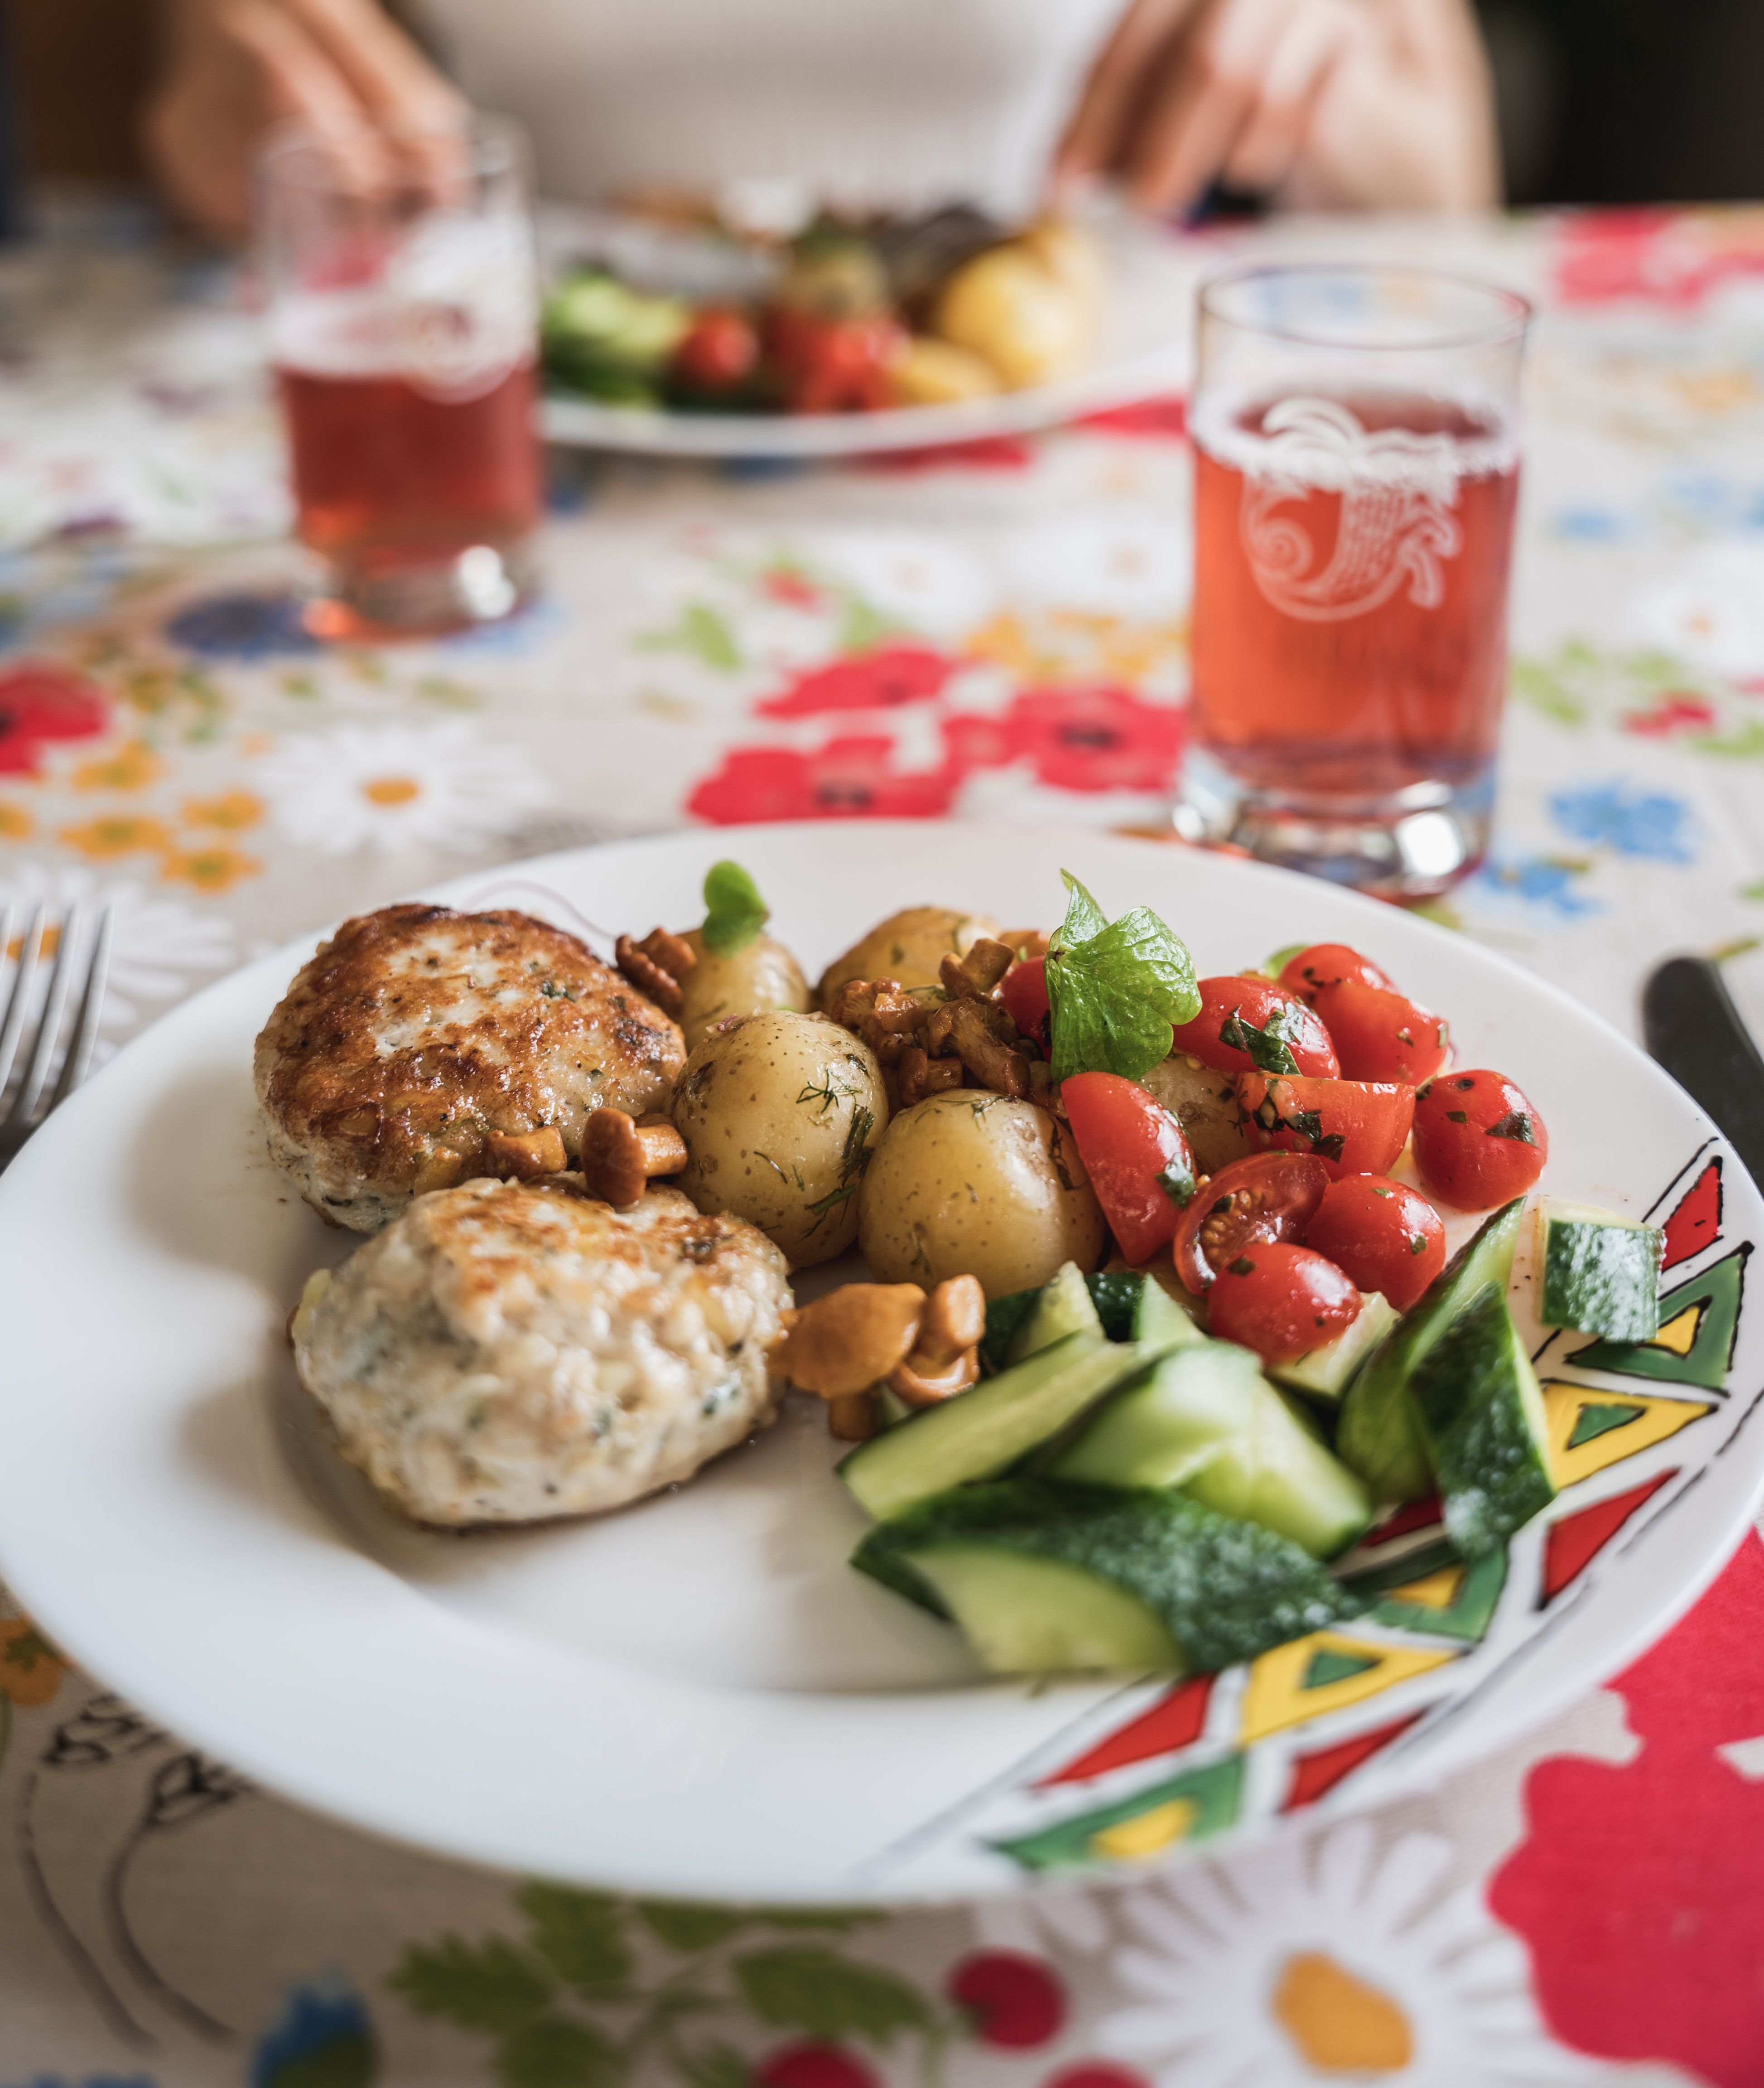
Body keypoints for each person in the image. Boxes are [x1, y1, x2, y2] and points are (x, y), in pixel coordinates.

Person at [146, 0, 1499, 242]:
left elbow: (1444, 197)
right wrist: (241, 95)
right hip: (521, 458)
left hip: (1084, 493)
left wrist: (1325, 64)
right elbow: (203, 135)